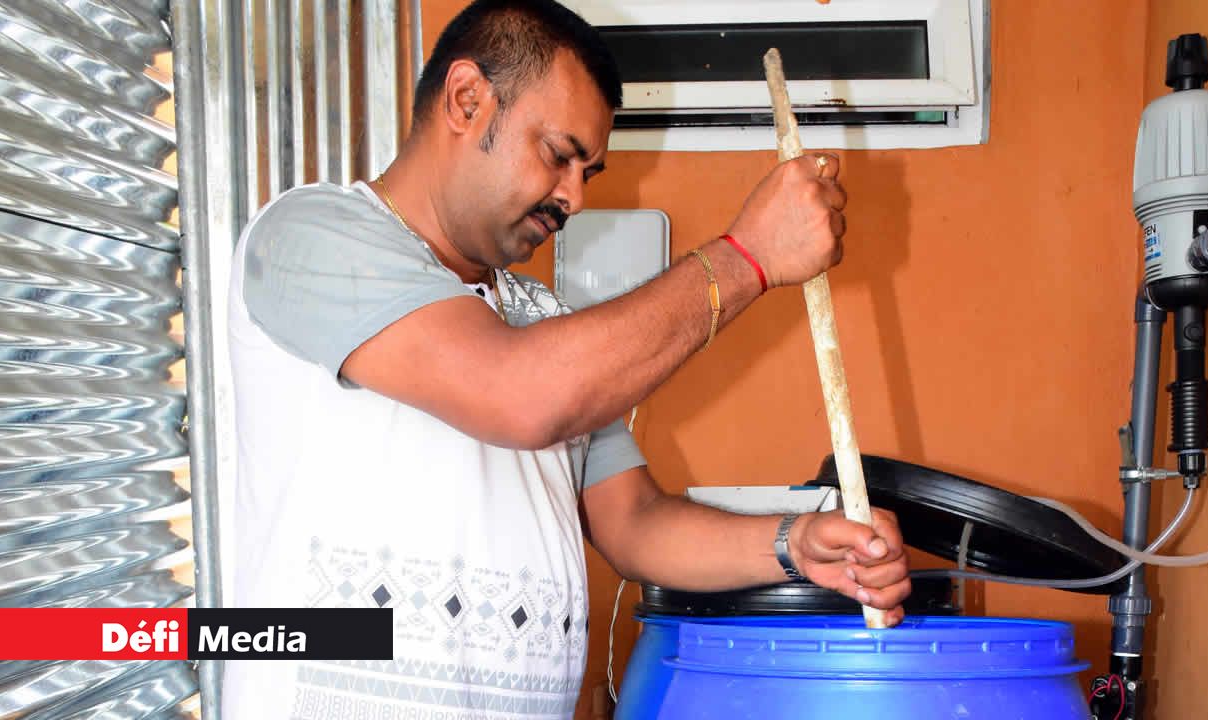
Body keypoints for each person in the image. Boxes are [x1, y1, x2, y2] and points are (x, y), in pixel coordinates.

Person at [221, 1, 910, 718]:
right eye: (558, 154)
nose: (573, 197)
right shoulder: (313, 235)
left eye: (589, 170)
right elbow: (518, 394)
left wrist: (793, 545)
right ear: (467, 100)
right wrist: (746, 259)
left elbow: (634, 523)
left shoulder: (540, 317)